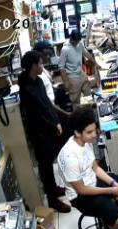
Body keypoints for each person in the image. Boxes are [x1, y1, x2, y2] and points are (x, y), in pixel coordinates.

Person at [57, 107, 118, 229]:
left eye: (94, 130)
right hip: (81, 197)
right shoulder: (69, 156)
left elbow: (96, 168)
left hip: (93, 180)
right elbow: (81, 190)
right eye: (89, 132)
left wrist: (114, 184)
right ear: (77, 133)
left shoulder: (86, 142)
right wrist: (112, 190)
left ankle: (113, 211)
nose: (94, 135)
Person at [18, 51, 71, 213]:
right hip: (39, 133)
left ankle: (54, 188)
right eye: (40, 63)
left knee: (51, 160)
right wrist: (54, 125)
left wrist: (59, 119)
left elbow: (47, 104)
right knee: (46, 167)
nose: (42, 66)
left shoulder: (39, 81)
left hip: (50, 128)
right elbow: (37, 115)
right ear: (34, 66)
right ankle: (52, 199)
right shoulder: (26, 89)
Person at [33, 41, 72, 148]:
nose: (49, 56)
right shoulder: (38, 75)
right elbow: (48, 103)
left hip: (55, 107)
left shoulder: (42, 68)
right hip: (53, 113)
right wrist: (66, 114)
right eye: (47, 54)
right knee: (64, 141)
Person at [59, 30, 100, 110]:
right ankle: (78, 118)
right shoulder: (65, 49)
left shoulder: (79, 44)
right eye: (75, 42)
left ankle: (90, 113)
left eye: (78, 41)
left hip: (81, 73)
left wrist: (96, 64)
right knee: (76, 101)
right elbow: (61, 67)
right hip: (72, 77)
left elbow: (87, 54)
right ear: (71, 38)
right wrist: (66, 82)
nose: (77, 43)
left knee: (88, 94)